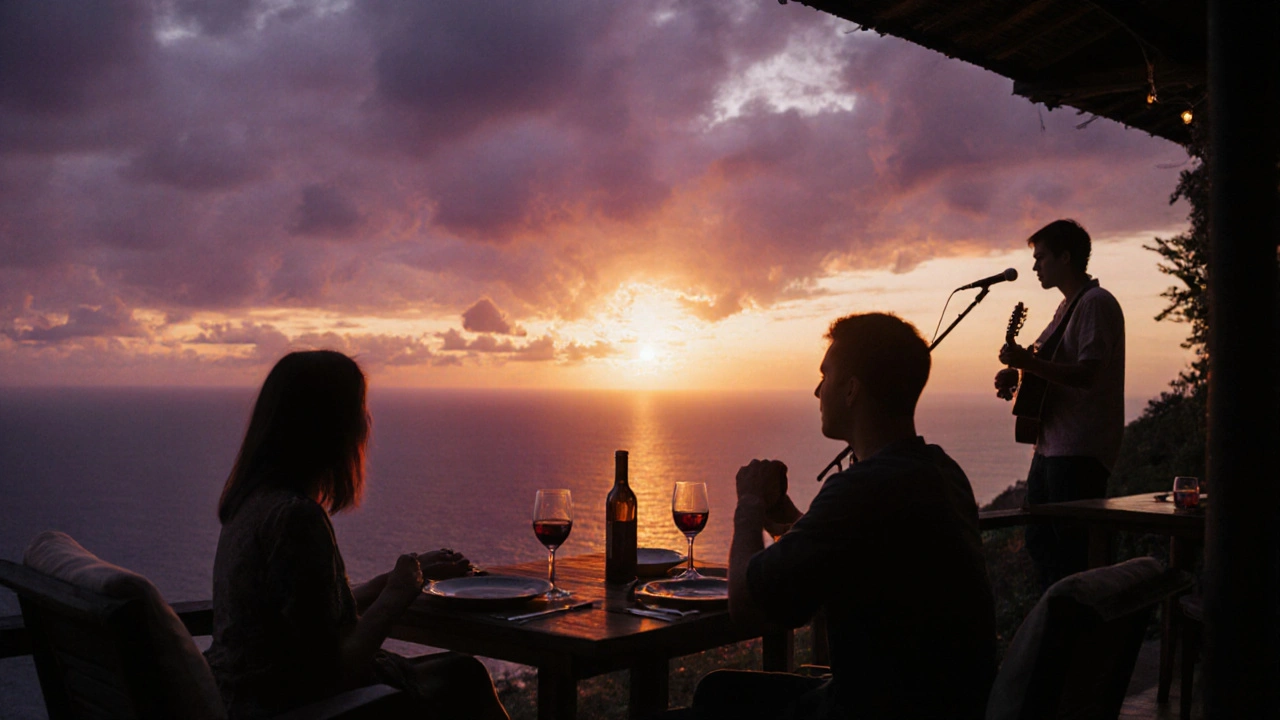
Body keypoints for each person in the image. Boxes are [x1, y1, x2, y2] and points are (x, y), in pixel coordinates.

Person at [694, 313, 996, 720]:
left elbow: (748, 606)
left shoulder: (862, 487)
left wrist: (747, 504)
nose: (817, 389)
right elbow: (844, 551)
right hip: (945, 704)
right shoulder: (940, 472)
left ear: (852, 389)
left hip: (874, 708)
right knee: (722, 691)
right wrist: (781, 513)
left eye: (826, 375)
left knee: (716, 697)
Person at [204, 350, 509, 720]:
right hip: (294, 708)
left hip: (240, 700)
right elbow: (332, 673)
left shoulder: (251, 505)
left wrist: (397, 578)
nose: (367, 421)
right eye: (358, 410)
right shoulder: (296, 519)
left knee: (458, 670)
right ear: (328, 427)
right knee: (465, 677)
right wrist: (397, 594)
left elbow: (310, 620)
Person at [995, 219, 1126, 591]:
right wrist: (1017, 376)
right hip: (1052, 446)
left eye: (1041, 258)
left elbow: (1087, 374)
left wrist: (1028, 364)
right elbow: (1049, 370)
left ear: (1065, 257)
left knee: (1073, 555)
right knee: (1042, 545)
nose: (1035, 266)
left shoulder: (1096, 304)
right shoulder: (1068, 307)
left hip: (1079, 450)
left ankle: (1078, 637)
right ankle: (1055, 630)